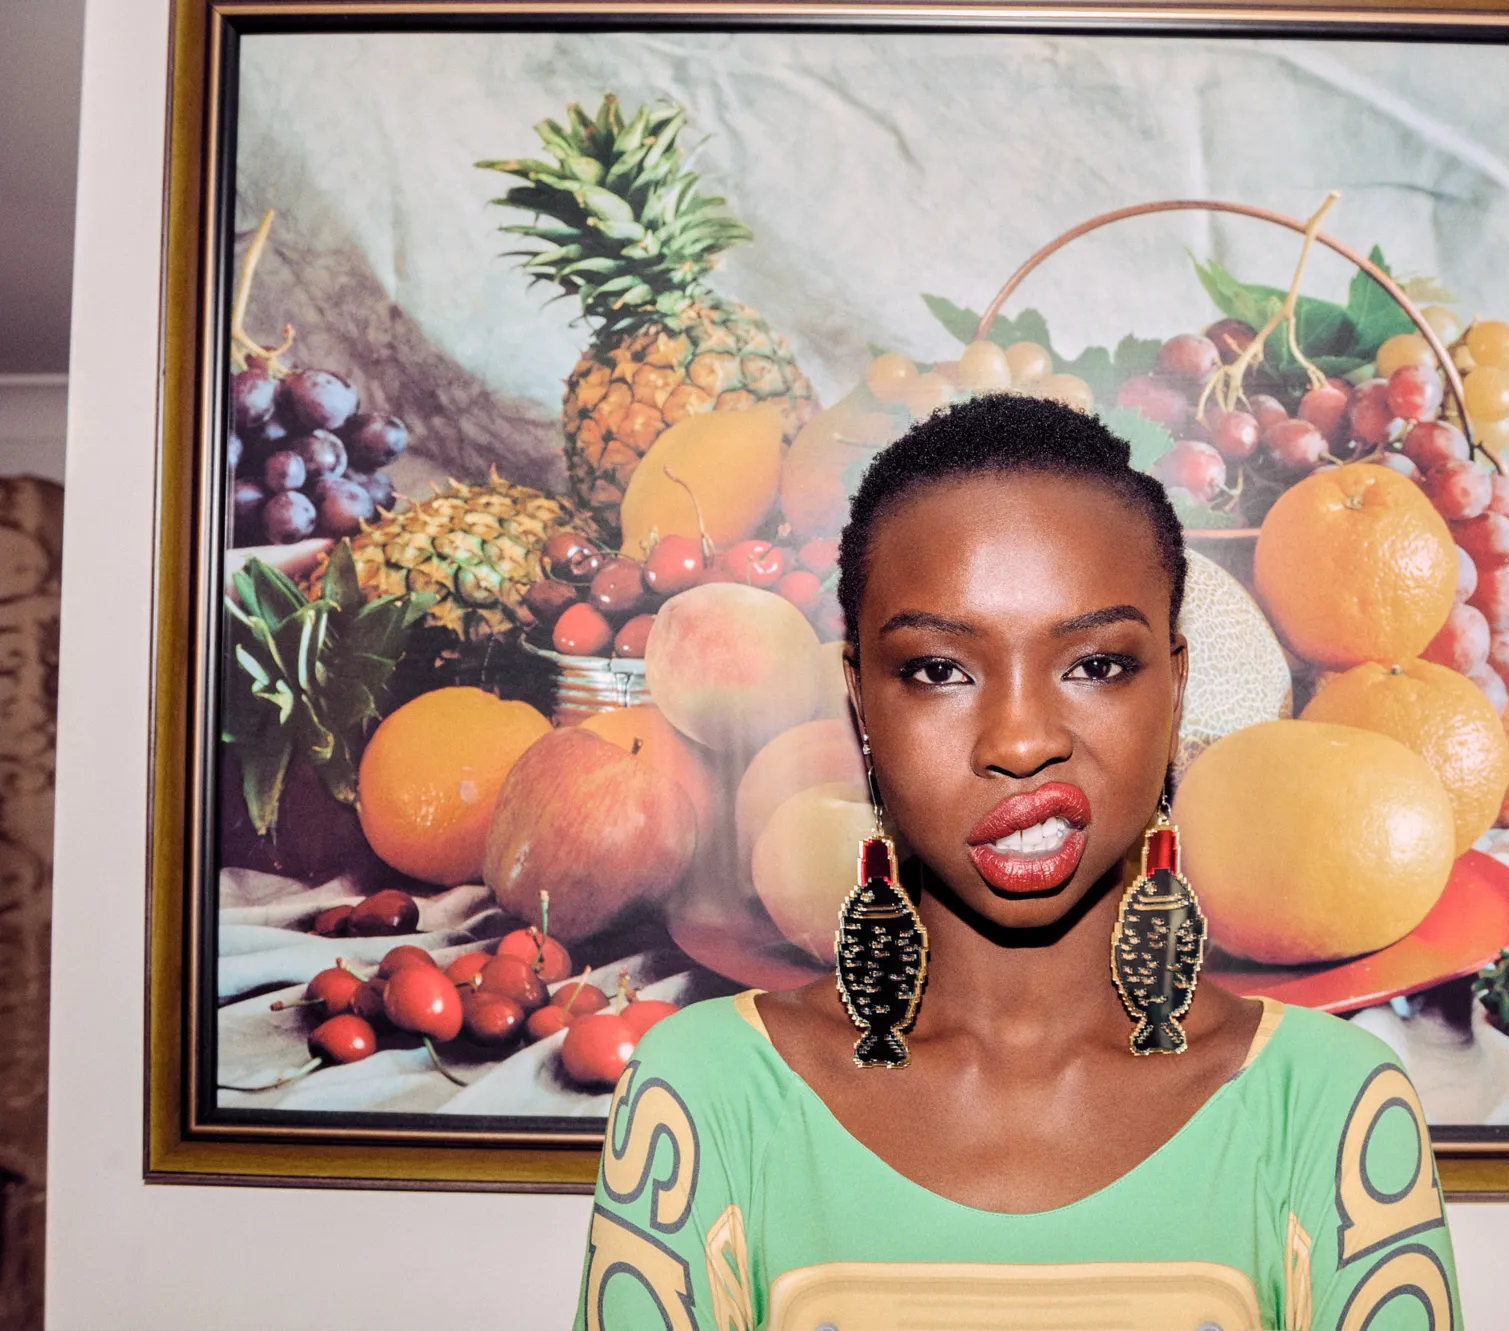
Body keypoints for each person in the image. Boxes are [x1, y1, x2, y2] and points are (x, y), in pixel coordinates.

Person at [574, 393, 1461, 1331]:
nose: (1022, 739)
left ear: (1175, 689)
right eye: (939, 669)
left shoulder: (1327, 1109)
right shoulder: (709, 1098)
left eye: (1097, 665)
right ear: (862, 704)